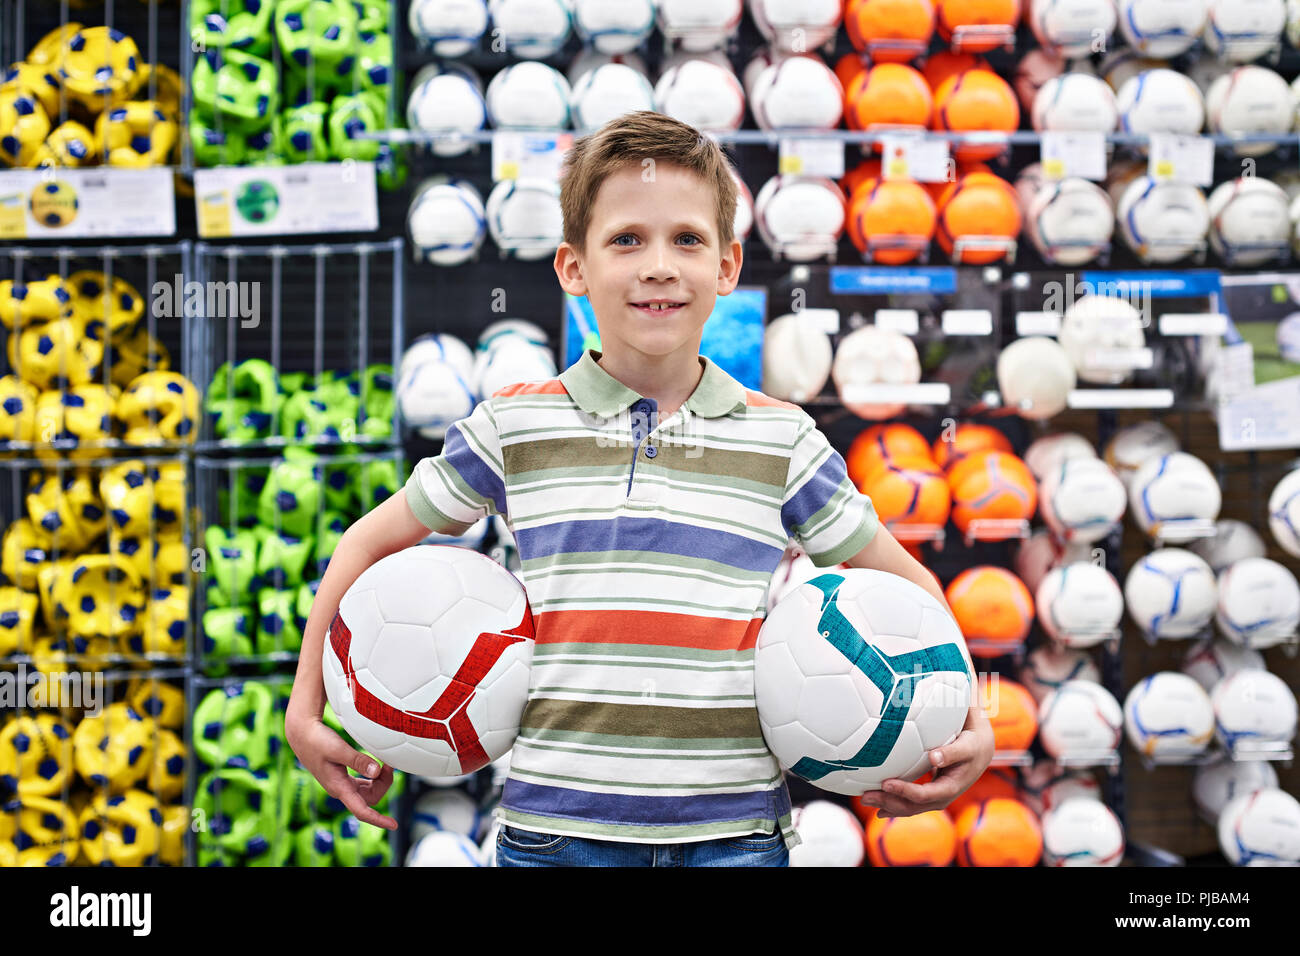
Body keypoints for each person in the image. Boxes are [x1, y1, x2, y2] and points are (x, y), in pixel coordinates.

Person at [286, 110, 994, 867]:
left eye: (687, 239)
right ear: (573, 268)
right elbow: (366, 541)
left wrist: (971, 718)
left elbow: (908, 582)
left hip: (736, 839)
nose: (659, 265)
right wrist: (305, 708)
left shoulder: (782, 438)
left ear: (727, 266)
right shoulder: (514, 426)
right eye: (627, 239)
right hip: (555, 835)